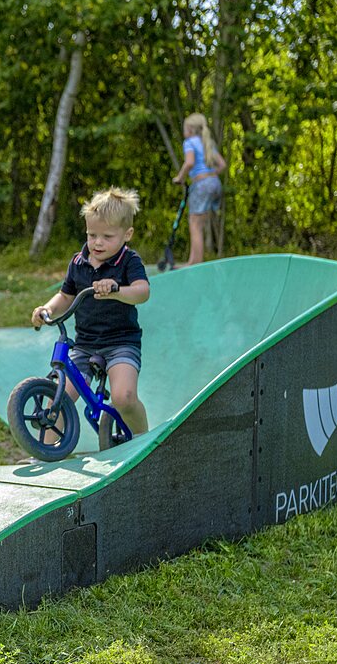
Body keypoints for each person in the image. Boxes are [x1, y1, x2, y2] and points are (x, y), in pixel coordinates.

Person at [30, 187, 151, 436]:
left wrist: (116, 290)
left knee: (123, 396)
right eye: (92, 234)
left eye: (107, 236)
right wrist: (47, 309)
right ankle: (46, 451)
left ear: (127, 234)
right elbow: (65, 296)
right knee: (59, 398)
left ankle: (143, 441)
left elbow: (142, 291)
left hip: (121, 342)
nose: (97, 242)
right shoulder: (78, 262)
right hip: (85, 344)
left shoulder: (129, 261)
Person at [172, 112, 228, 266]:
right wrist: (209, 175)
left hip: (202, 185)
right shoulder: (206, 142)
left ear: (189, 129)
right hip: (215, 183)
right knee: (200, 224)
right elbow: (222, 165)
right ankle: (194, 261)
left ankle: (194, 263)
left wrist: (180, 178)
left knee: (194, 224)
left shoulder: (189, 142)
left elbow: (189, 163)